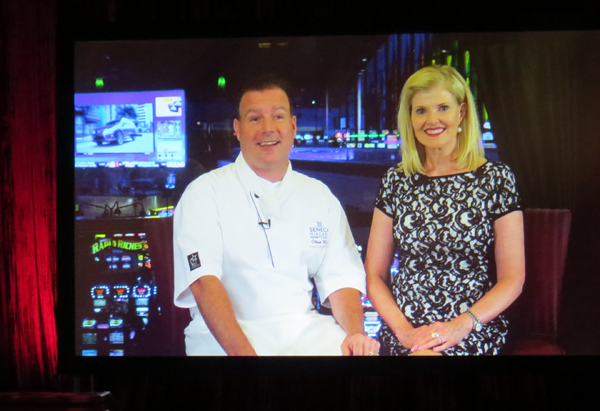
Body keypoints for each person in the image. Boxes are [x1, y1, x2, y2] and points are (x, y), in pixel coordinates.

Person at [173, 75, 380, 356]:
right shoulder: (204, 193)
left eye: (278, 117)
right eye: (255, 119)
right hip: (224, 337)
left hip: (306, 330)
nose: (268, 128)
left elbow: (341, 278)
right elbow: (203, 282)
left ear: (293, 126)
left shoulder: (319, 196)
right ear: (237, 129)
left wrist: (356, 333)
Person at [365, 65, 525, 356]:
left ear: (461, 112)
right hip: (405, 329)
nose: (432, 120)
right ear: (410, 118)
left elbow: (512, 279)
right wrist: (404, 332)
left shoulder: (496, 179)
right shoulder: (395, 181)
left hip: (471, 327)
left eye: (443, 108)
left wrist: (460, 326)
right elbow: (374, 275)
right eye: (421, 111)